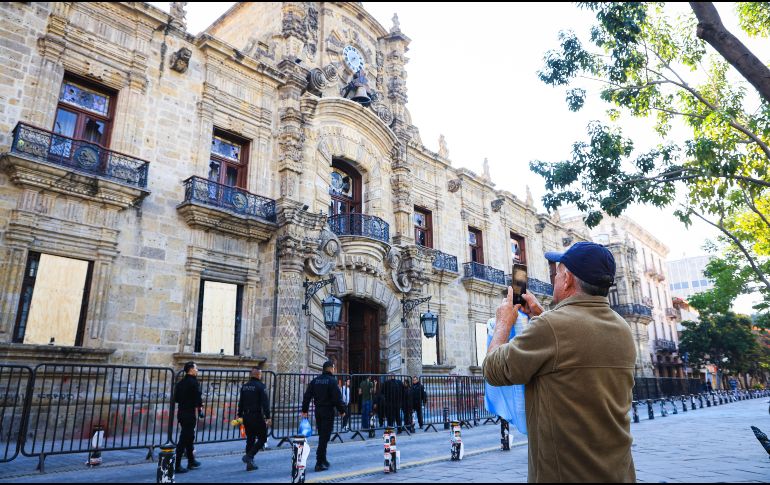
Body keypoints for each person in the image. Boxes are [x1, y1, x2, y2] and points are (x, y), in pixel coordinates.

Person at [483, 241, 636, 483]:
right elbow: (574, 349)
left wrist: (503, 322)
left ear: (567, 280)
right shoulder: (622, 328)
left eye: (557, 273)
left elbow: (494, 369)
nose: (554, 279)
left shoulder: (552, 327)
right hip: (617, 473)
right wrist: (542, 315)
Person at [301, 361, 346, 472]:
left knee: (323, 436)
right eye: (334, 368)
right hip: (327, 411)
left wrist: (304, 410)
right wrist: (342, 410)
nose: (334, 370)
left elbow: (307, 396)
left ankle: (323, 459)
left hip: (318, 411)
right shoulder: (332, 381)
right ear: (330, 368)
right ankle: (319, 462)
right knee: (324, 437)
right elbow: (337, 398)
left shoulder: (315, 381)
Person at [237, 367, 271, 471]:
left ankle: (249, 464)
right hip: (256, 416)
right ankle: (250, 456)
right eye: (260, 374)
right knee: (263, 438)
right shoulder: (261, 386)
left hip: (246, 416)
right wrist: (268, 417)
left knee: (250, 439)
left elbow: (241, 402)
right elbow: (265, 403)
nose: (261, 376)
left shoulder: (245, 386)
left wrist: (239, 415)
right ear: (258, 375)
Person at [174, 361, 203, 473]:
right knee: (184, 439)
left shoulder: (180, 383)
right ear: (191, 370)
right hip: (189, 413)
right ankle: (177, 465)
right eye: (196, 368)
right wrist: (199, 406)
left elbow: (176, 398)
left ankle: (191, 461)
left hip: (181, 412)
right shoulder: (194, 383)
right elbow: (197, 398)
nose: (197, 370)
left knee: (189, 437)